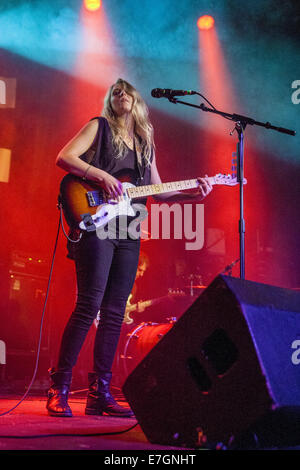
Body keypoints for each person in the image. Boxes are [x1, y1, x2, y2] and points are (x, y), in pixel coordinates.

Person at [47, 78, 213, 418]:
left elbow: (159, 192)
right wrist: (101, 176)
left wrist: (193, 192)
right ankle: (59, 386)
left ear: (137, 101)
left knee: (113, 312)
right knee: (88, 305)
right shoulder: (100, 127)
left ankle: (100, 391)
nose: (120, 95)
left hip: (129, 228)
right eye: (115, 92)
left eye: (126, 91)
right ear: (111, 100)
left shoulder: (145, 142)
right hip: (96, 218)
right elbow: (65, 157)